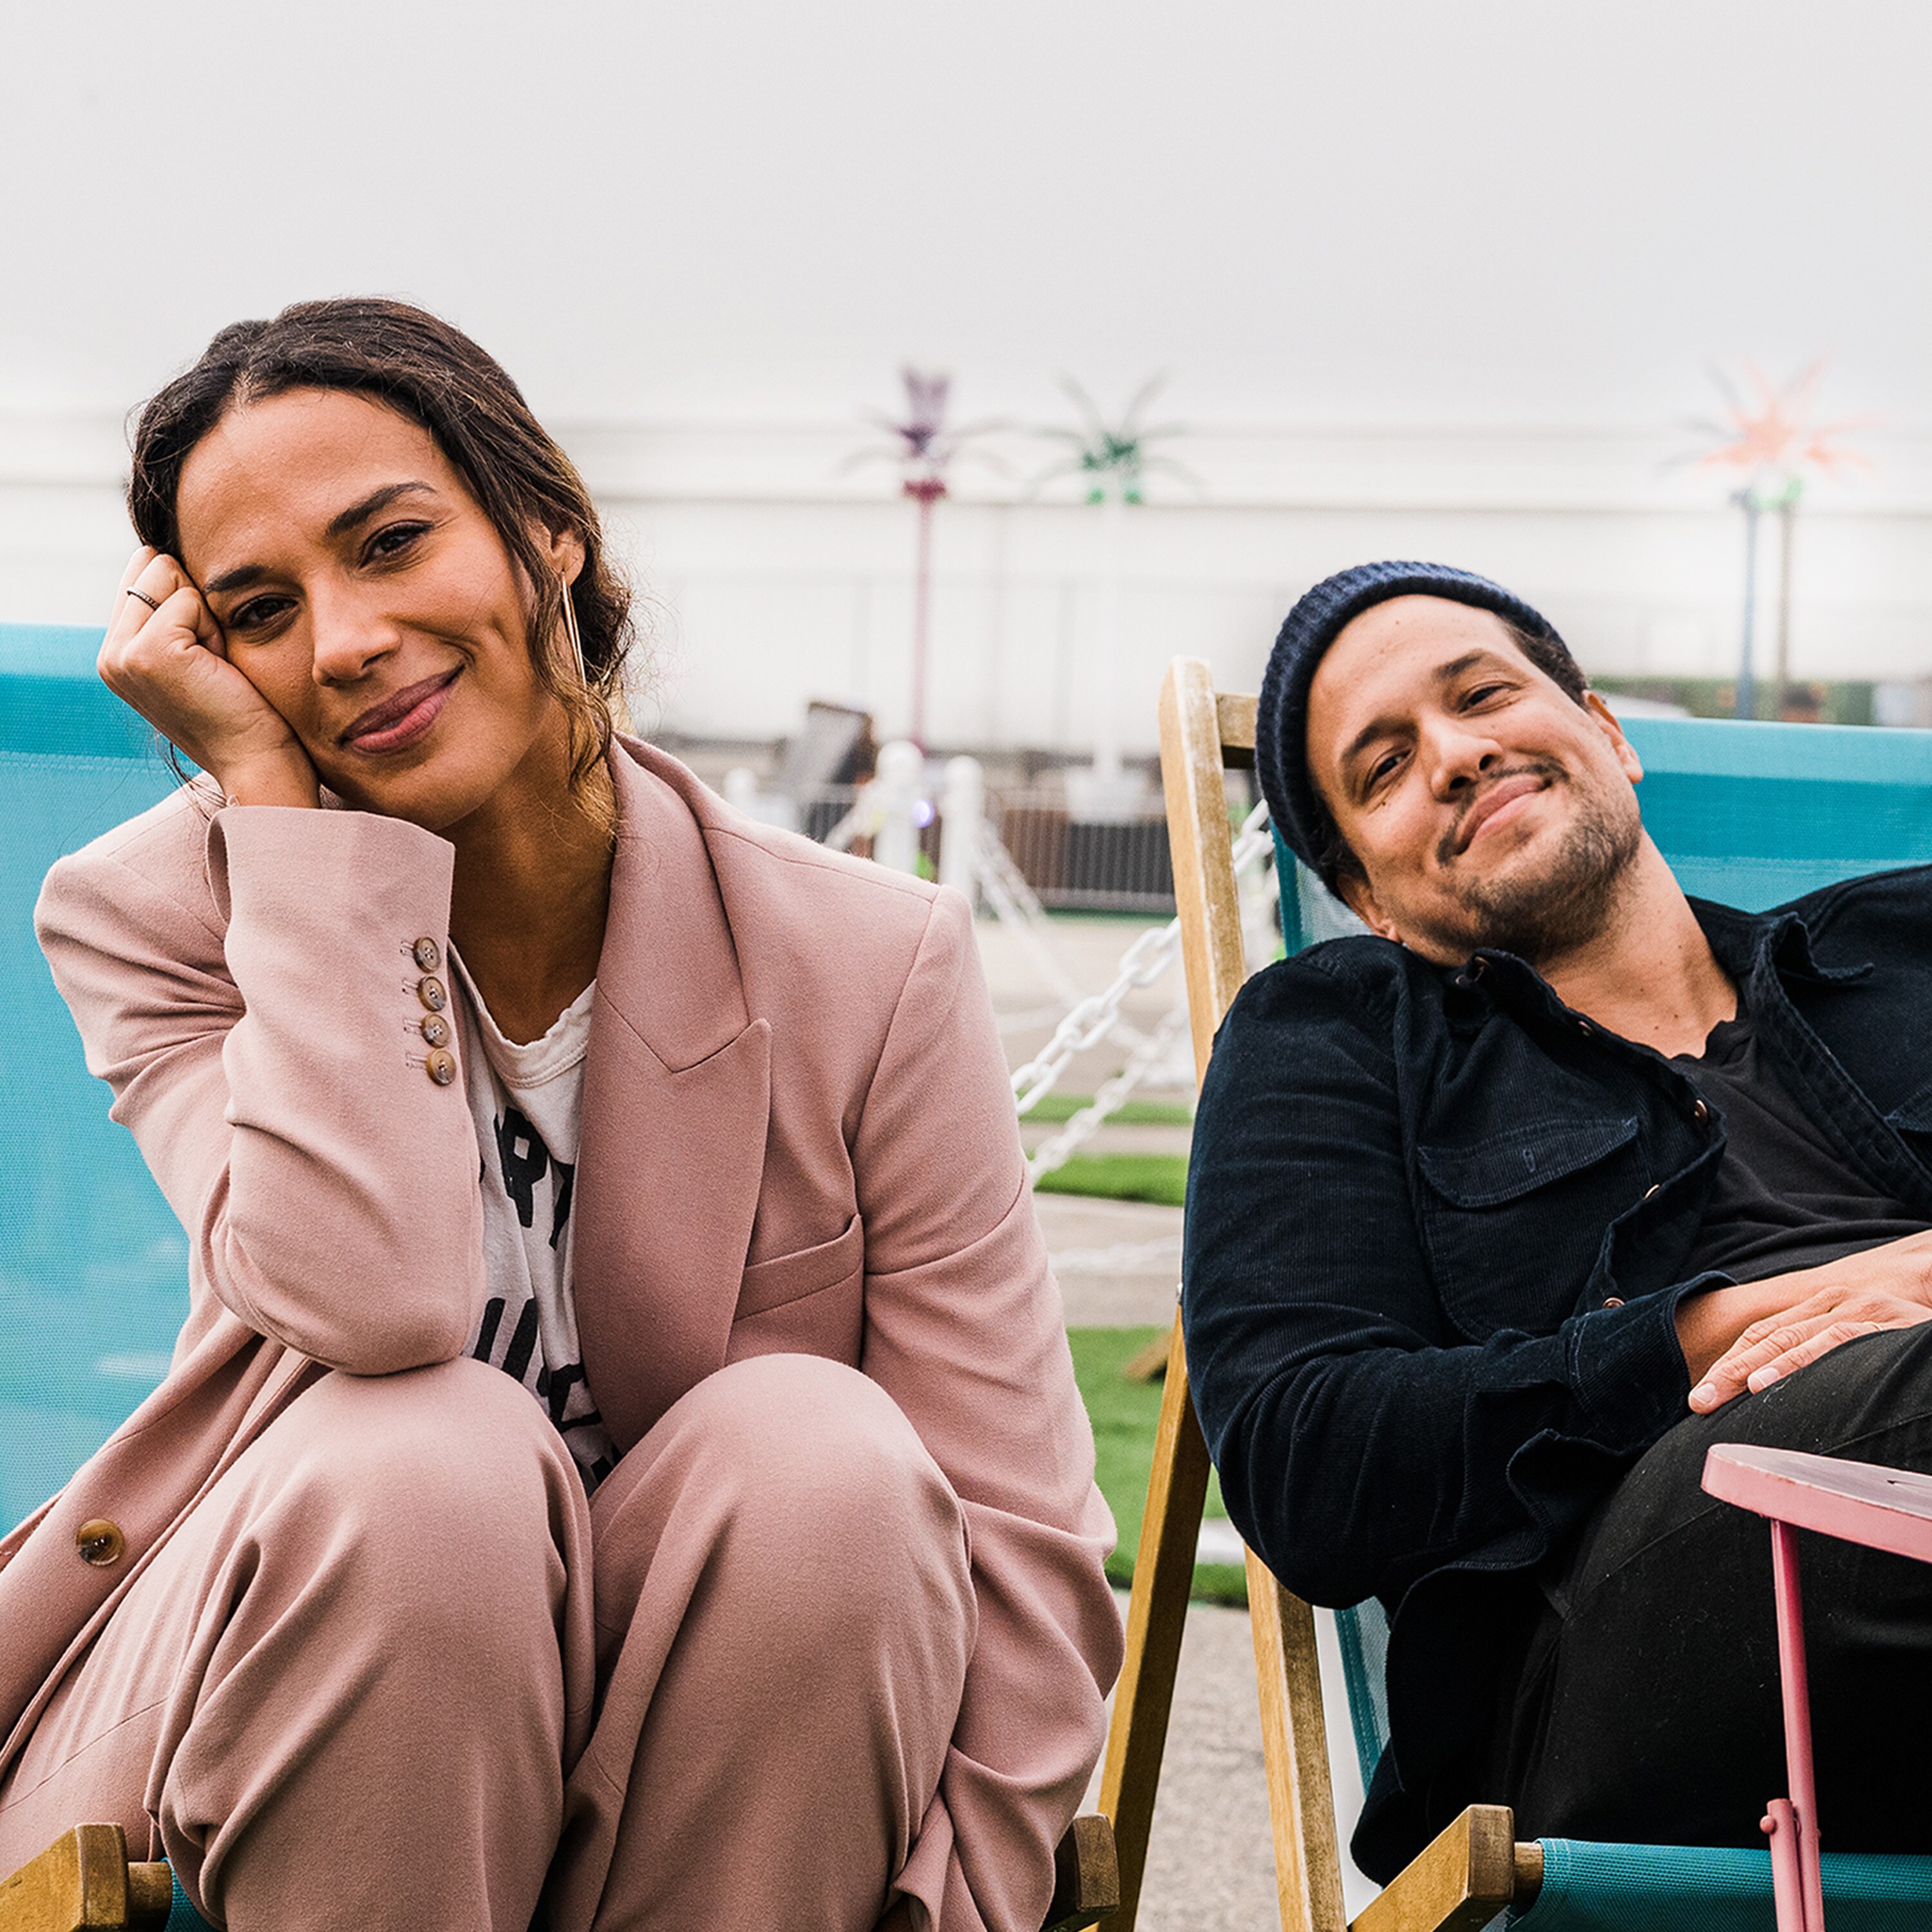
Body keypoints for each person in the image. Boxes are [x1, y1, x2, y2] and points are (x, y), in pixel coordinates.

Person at [0, 299, 1121, 1932]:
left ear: (548, 529)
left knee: (825, 1465)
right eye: (260, 612)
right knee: (429, 1462)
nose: (344, 641)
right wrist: (287, 828)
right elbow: (380, 1301)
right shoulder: (160, 920)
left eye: (390, 543)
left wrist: (959, 1906)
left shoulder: (868, 962)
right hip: (268, 1692)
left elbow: (1012, 1532)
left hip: (715, 1764)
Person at [1183, 560, 1932, 1880]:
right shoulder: (1340, 1036)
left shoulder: (1905, 944)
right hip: (1632, 1618)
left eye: (1482, 696)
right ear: (1370, 902)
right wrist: (1741, 1327)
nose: (1457, 755)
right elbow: (1308, 1456)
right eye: (1385, 767)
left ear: (1608, 733)